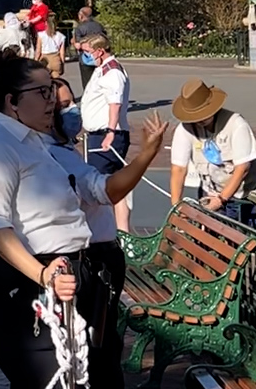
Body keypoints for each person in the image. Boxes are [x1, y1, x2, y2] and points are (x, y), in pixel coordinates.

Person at [0, 53, 105, 389]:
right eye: (42, 93)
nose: (52, 100)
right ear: (12, 101)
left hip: (57, 278)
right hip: (15, 281)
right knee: (50, 381)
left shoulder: (35, 141)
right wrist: (42, 274)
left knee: (67, 378)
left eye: (51, 90)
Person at [44, 82, 170, 389]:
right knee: (97, 349)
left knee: (102, 344)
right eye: (62, 107)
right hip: (91, 260)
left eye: (71, 102)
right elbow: (105, 190)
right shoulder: (54, 156)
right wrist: (146, 155)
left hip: (100, 256)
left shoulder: (64, 150)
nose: (71, 111)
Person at [168, 79, 256, 224]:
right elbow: (178, 169)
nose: (199, 119)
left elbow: (243, 168)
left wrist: (221, 199)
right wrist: (177, 206)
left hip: (245, 194)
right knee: (210, 238)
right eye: (194, 116)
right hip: (211, 191)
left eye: (203, 113)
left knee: (245, 238)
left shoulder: (236, 124)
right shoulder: (184, 130)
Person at [77, 33, 132, 231]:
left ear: (100, 51)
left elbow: (114, 103)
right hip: (98, 134)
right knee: (111, 186)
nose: (86, 56)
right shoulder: (102, 69)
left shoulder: (112, 72)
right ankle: (118, 232)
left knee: (100, 187)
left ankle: (109, 232)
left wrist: (110, 132)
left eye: (88, 52)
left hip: (107, 136)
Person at [72, 7, 105, 91]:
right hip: (99, 56)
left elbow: (78, 45)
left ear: (81, 15)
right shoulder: (99, 26)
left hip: (86, 58)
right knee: (100, 80)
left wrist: (73, 42)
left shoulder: (80, 28)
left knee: (87, 82)